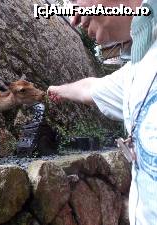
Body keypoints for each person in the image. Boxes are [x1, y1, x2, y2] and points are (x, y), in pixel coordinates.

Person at [47, 0, 157, 224]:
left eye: (75, 1)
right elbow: (91, 88)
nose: (73, 17)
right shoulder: (138, 69)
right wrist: (57, 90)